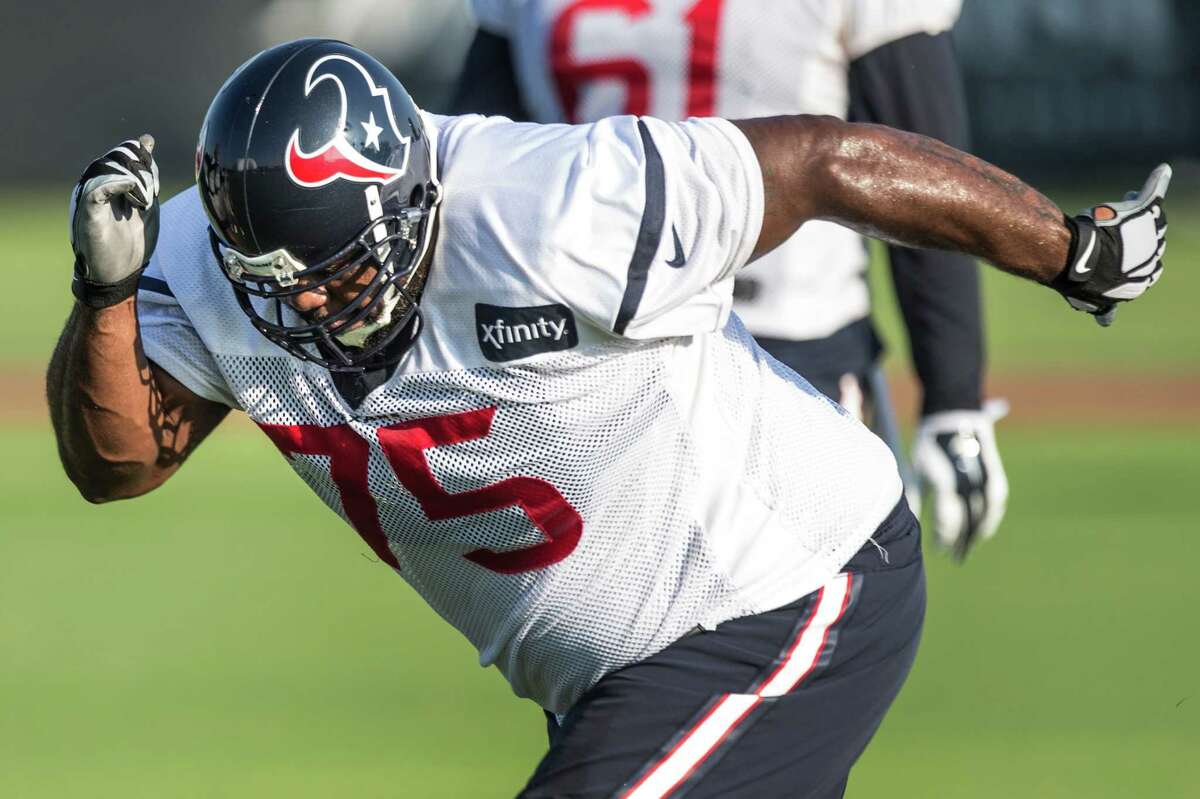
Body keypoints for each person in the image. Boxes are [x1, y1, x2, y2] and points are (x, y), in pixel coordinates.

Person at [48, 39, 1168, 799]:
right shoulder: (205, 256)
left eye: (333, 273)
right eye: (273, 281)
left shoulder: (558, 203)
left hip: (781, 590)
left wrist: (1070, 250)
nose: (303, 304)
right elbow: (117, 464)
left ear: (407, 201)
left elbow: (830, 161)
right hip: (620, 676)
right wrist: (105, 297)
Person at [451, 0, 1006, 559]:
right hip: (670, 351)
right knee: (815, 613)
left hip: (633, 347)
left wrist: (953, 396)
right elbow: (922, 170)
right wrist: (952, 395)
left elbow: (472, 179)